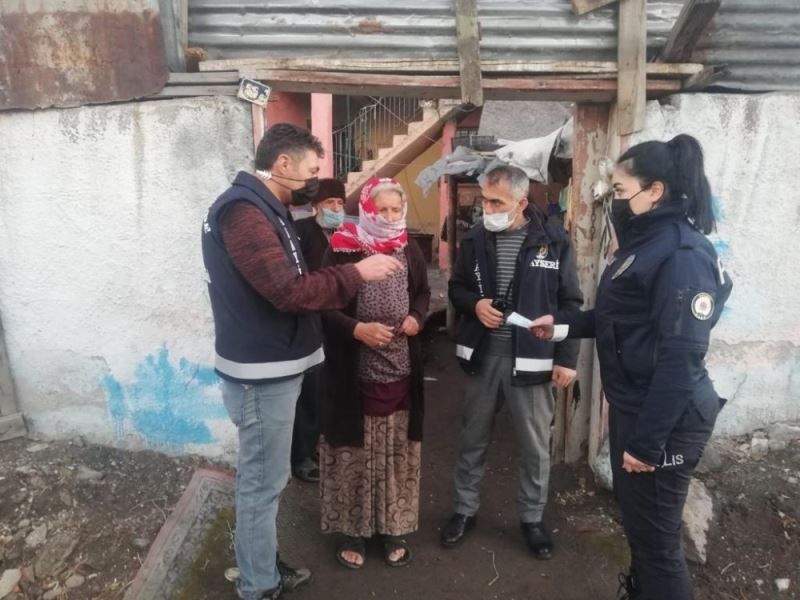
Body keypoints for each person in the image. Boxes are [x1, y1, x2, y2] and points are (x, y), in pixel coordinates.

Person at [201, 124, 402, 600]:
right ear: (283, 164)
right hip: (261, 373)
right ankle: (259, 586)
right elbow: (289, 291)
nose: (316, 179)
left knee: (266, 481)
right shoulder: (244, 213)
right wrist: (357, 273)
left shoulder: (267, 208)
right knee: (262, 484)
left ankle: (261, 567)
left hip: (273, 364)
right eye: (312, 170)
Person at [529, 135, 733, 600]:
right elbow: (618, 317)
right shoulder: (647, 244)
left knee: (658, 546)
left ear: (655, 191)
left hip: (665, 419)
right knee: (641, 530)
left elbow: (681, 357)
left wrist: (647, 443)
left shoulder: (681, 255)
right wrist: (562, 325)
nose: (613, 201)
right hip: (636, 406)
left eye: (620, 191)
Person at [442, 165, 583, 559]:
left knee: (535, 447)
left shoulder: (553, 241)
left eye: (496, 202)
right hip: (484, 356)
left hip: (534, 359)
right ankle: (464, 510)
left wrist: (566, 358)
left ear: (521, 203)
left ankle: (532, 519)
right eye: (484, 200)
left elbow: (570, 303)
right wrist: (475, 305)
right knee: (472, 438)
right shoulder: (475, 239)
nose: (487, 209)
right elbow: (456, 288)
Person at [318, 177, 430, 570]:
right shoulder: (342, 247)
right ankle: (355, 531)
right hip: (354, 371)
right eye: (381, 209)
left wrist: (417, 318)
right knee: (357, 451)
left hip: (400, 367)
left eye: (395, 209)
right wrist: (356, 330)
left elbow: (423, 293)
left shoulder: (408, 247)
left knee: (395, 449)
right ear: (366, 209)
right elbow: (322, 302)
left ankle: (392, 527)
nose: (389, 216)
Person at [290, 178, 347, 483]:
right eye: (329, 203)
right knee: (309, 392)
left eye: (340, 203)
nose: (336, 208)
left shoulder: (346, 234)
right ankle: (301, 457)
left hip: (339, 321)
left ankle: (318, 447)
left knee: (330, 389)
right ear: (316, 206)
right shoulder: (302, 231)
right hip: (311, 320)